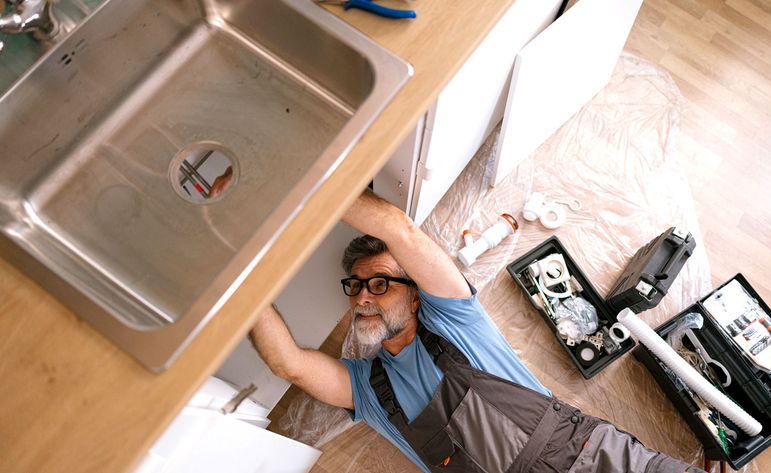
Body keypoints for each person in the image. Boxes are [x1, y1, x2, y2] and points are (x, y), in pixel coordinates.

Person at [250, 189, 703, 473]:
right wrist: (239, 268)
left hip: (585, 458)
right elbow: (286, 362)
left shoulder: (453, 317)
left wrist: (296, 183)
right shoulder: (366, 389)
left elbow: (398, 231)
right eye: (356, 287)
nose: (362, 297)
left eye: (381, 283)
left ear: (414, 296)